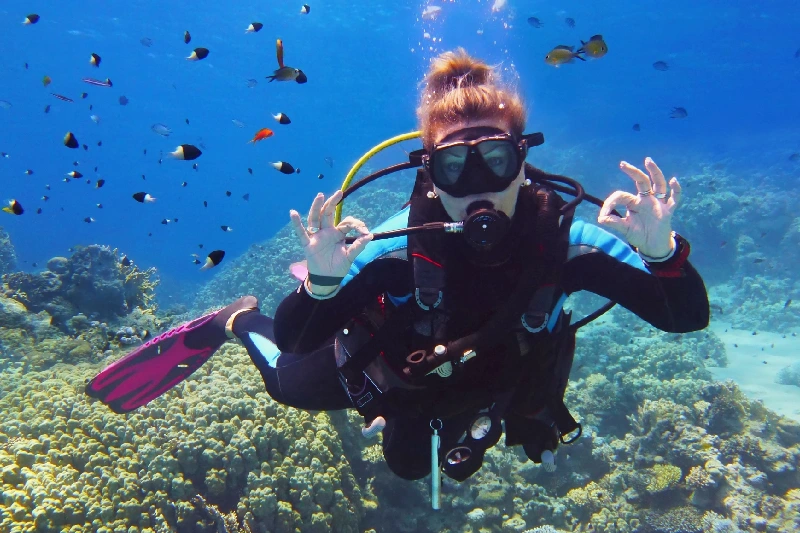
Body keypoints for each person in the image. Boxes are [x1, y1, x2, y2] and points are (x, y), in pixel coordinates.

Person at [86, 49, 709, 487]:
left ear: (523, 160)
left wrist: (661, 253)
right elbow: (302, 336)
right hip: (386, 363)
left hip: (488, 374)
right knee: (289, 387)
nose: (477, 186)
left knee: (424, 466)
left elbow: (684, 318)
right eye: (453, 168)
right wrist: (325, 281)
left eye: (494, 158)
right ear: (428, 177)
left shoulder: (566, 243)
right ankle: (235, 320)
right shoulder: (397, 250)